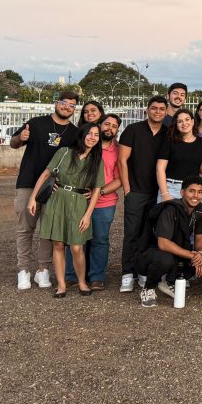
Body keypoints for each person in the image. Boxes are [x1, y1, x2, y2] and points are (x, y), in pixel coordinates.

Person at [10, 91, 81, 290]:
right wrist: (20, 138)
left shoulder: (75, 133)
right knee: (25, 228)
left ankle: (43, 269)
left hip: (55, 187)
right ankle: (23, 270)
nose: (67, 107)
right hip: (28, 183)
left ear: (75, 109)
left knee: (49, 231)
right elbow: (13, 143)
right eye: (64, 102)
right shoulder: (36, 123)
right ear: (56, 103)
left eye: (72, 105)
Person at [27, 123, 105, 297]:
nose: (92, 137)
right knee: (58, 244)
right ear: (82, 135)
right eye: (89, 133)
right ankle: (61, 285)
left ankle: (82, 282)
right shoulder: (64, 153)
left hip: (79, 203)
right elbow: (45, 174)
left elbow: (97, 190)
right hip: (57, 200)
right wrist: (33, 198)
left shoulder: (97, 161)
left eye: (96, 135)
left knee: (76, 247)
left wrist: (88, 215)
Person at [64, 112, 124, 290]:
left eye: (114, 126)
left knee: (100, 240)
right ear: (99, 125)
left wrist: (100, 192)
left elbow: (119, 179)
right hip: (78, 200)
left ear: (117, 131)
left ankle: (97, 277)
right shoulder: (86, 145)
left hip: (105, 203)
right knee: (75, 238)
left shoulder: (118, 151)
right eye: (107, 124)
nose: (110, 128)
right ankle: (71, 275)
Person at [118, 95, 168, 293]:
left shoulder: (168, 133)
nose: (157, 112)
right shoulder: (133, 130)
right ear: (147, 110)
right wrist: (127, 189)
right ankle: (127, 273)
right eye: (154, 108)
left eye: (161, 109)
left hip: (158, 192)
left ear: (166, 112)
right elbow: (122, 161)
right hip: (136, 191)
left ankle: (143, 271)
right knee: (131, 233)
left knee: (150, 235)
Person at [136, 176, 202, 308]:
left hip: (175, 250)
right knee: (166, 260)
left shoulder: (201, 210)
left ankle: (169, 282)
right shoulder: (171, 209)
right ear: (182, 192)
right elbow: (163, 243)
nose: (196, 196)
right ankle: (149, 288)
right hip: (151, 253)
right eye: (191, 191)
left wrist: (200, 255)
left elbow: (200, 239)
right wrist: (191, 255)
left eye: (200, 192)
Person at [156, 107, 202, 202]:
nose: (184, 123)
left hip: (195, 189)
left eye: (187, 119)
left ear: (192, 122)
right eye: (180, 121)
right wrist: (165, 194)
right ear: (176, 125)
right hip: (171, 188)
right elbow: (160, 169)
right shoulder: (169, 142)